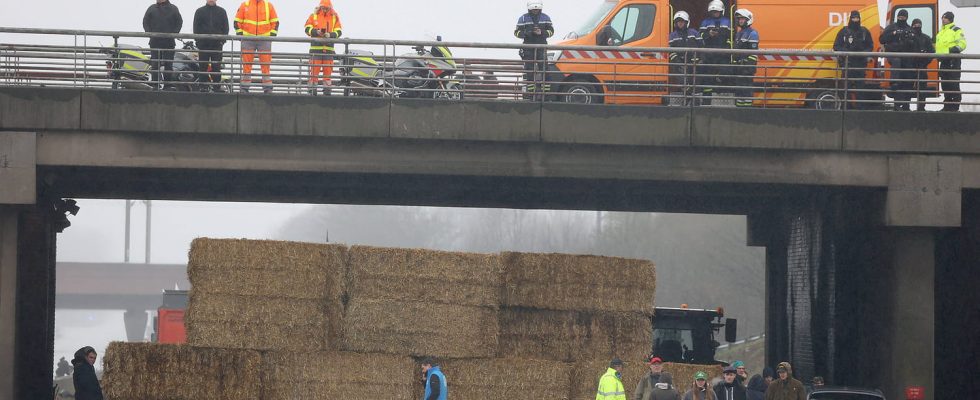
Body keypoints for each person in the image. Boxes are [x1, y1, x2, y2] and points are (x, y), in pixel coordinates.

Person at [235, 0, 279, 94]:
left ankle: (267, 87)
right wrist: (241, 35)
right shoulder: (244, 5)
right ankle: (245, 87)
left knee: (265, 64)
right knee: (246, 64)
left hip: (264, 39)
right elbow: (236, 22)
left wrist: (270, 36)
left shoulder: (268, 5)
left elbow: (275, 22)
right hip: (247, 39)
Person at [833, 10, 875, 109]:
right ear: (850, 19)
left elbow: (870, 45)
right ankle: (846, 108)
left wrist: (863, 52)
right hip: (848, 63)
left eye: (857, 18)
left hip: (860, 64)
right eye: (853, 18)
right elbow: (836, 46)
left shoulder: (865, 31)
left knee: (860, 88)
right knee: (845, 88)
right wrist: (847, 52)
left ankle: (860, 109)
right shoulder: (844, 31)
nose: (855, 20)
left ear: (859, 19)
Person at [515, 1, 554, 96]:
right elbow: (516, 32)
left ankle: (546, 94)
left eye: (537, 9)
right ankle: (531, 94)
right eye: (534, 9)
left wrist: (542, 32)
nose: (535, 11)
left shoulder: (546, 17)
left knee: (545, 71)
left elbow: (551, 32)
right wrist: (527, 33)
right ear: (529, 9)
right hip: (528, 49)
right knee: (530, 72)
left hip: (541, 47)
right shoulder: (523, 18)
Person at [305, 0, 343, 96]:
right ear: (320, 7)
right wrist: (316, 32)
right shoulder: (313, 15)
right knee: (314, 73)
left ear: (330, 7)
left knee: (327, 75)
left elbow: (339, 31)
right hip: (316, 50)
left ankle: (327, 93)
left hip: (329, 51)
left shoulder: (334, 17)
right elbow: (306, 29)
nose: (324, 9)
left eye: (326, 8)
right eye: (323, 7)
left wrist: (330, 35)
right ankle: (312, 92)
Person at [143, 0, 183, 90]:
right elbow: (145, 21)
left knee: (168, 65)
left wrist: (174, 33)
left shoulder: (173, 8)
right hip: (155, 41)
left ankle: (167, 85)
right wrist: (150, 33)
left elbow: (179, 22)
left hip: (169, 42)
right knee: (155, 64)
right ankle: (155, 85)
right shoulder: (151, 8)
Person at [880, 9, 916, 110]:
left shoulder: (910, 29)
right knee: (897, 84)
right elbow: (882, 39)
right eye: (900, 17)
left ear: (906, 18)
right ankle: (896, 105)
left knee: (907, 83)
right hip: (894, 56)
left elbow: (914, 44)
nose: (901, 19)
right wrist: (894, 34)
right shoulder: (891, 27)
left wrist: (910, 39)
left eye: (903, 17)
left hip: (906, 59)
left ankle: (906, 106)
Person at [698, 0, 732, 105]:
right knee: (707, 79)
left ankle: (721, 91)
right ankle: (706, 101)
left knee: (726, 72)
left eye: (717, 11)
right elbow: (700, 37)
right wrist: (709, 34)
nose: (715, 13)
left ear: (721, 11)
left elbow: (731, 37)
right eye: (713, 11)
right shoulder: (705, 22)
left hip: (722, 54)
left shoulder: (727, 22)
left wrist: (727, 48)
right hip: (709, 54)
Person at [193, 0, 229, 92]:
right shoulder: (199, 11)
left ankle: (216, 87)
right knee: (203, 66)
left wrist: (222, 41)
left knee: (216, 67)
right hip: (203, 45)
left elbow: (226, 28)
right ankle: (203, 87)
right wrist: (198, 42)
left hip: (217, 45)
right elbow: (195, 27)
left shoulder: (222, 11)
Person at [935, 11, 967, 111]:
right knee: (945, 84)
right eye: (942, 18)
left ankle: (955, 106)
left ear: (950, 19)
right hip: (943, 61)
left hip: (953, 60)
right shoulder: (940, 32)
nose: (943, 19)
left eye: (945, 18)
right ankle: (947, 106)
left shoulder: (956, 30)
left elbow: (962, 44)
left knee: (953, 83)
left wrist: (950, 51)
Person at [668, 11, 701, 105]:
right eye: (678, 22)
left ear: (687, 22)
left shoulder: (694, 33)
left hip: (694, 62)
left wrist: (699, 59)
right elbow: (671, 50)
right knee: (681, 77)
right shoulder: (672, 36)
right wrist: (677, 60)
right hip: (680, 63)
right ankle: (689, 96)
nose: (680, 23)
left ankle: (695, 100)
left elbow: (701, 46)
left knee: (695, 80)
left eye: (682, 21)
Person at [732, 10, 759, 107]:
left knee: (746, 90)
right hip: (739, 67)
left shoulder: (753, 33)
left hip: (747, 68)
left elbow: (753, 53)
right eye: (739, 19)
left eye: (742, 19)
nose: (740, 21)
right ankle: (740, 109)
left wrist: (746, 65)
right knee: (739, 90)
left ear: (748, 20)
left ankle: (747, 111)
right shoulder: (740, 33)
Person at [909, 18, 935, 111]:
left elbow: (932, 52)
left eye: (919, 24)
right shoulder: (908, 37)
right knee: (907, 86)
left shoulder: (926, 38)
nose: (917, 26)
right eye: (915, 24)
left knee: (922, 87)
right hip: (910, 66)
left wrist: (925, 62)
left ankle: (921, 107)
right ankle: (906, 106)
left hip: (922, 66)